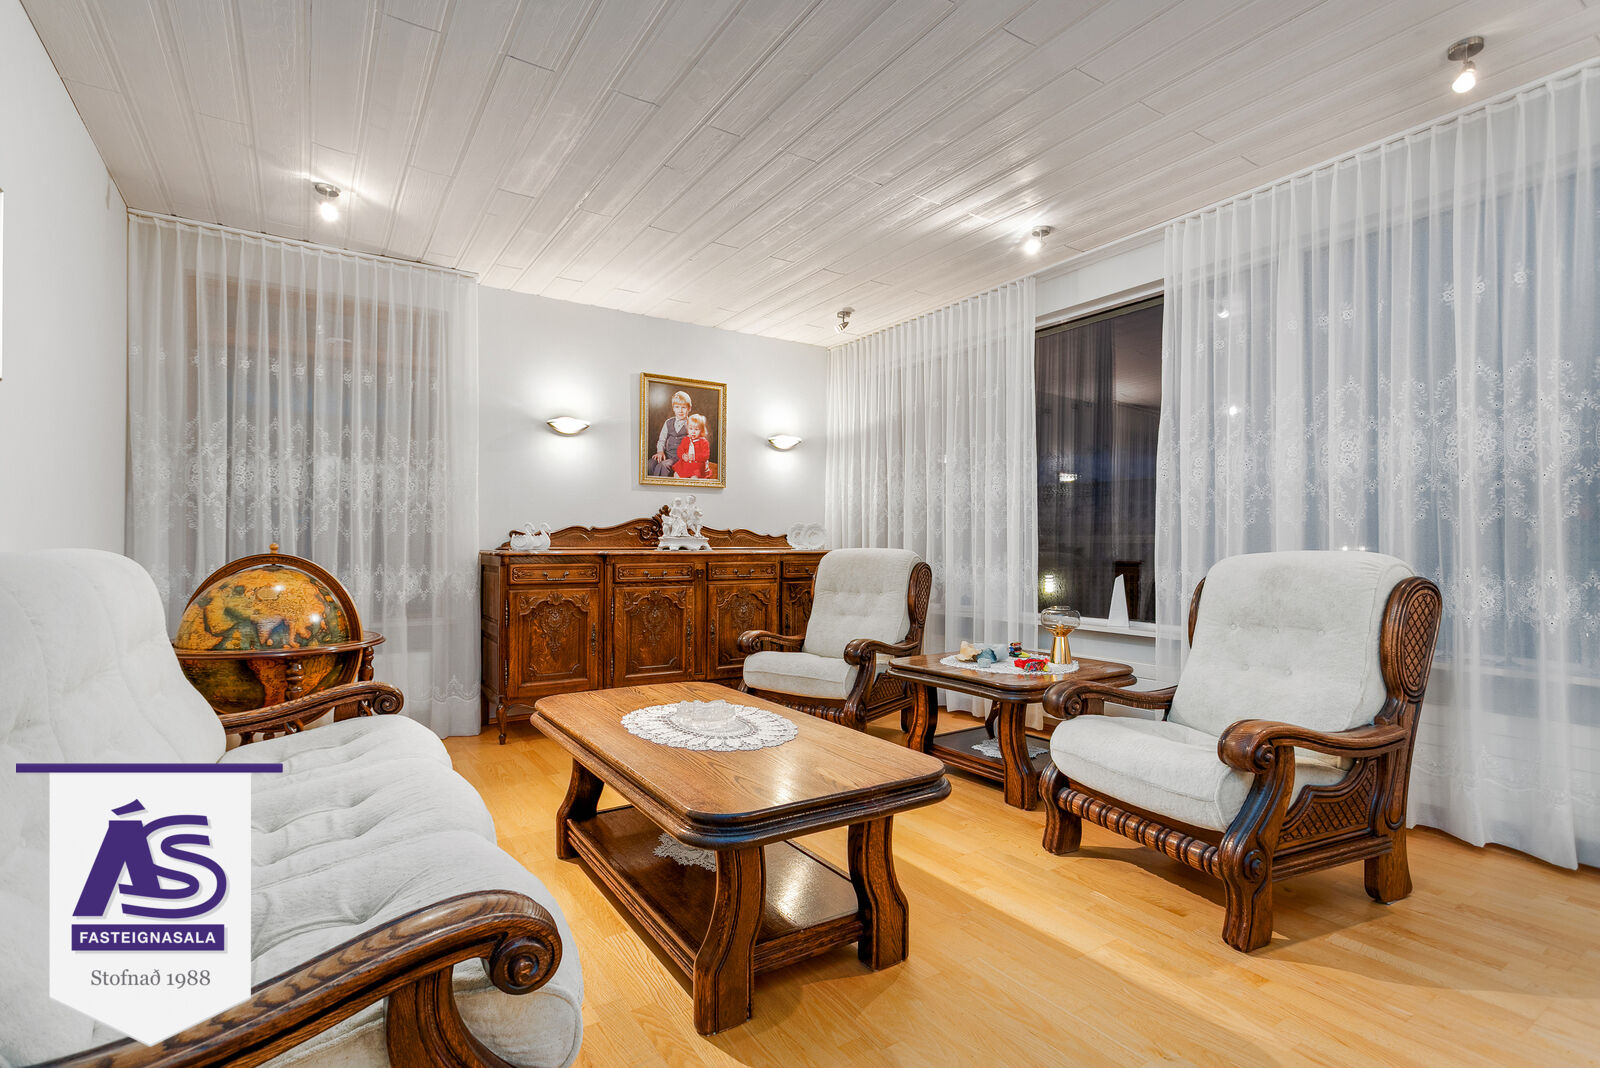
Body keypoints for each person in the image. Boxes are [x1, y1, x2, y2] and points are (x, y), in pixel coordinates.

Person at [650, 391, 692, 476]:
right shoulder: (668, 422)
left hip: (680, 457)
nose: (680, 410)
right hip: (667, 454)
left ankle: (660, 484)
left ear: (689, 408)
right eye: (677, 407)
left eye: (683, 407)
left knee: (663, 466)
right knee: (650, 464)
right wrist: (660, 451)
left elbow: (695, 443)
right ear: (673, 408)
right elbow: (662, 440)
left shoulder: (691, 424)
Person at [673, 414, 710, 479]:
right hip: (685, 463)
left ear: (702, 430)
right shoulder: (685, 439)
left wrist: (694, 457)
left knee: (694, 477)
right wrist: (683, 456)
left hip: (697, 465)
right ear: (687, 429)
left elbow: (705, 455)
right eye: (691, 429)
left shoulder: (703, 442)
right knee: (676, 474)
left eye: (696, 429)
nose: (693, 432)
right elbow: (680, 450)